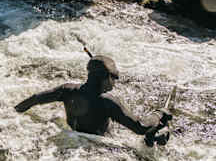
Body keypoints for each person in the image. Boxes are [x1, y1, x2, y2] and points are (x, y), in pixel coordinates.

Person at [14, 54, 171, 145]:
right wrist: (158, 113)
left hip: (71, 137)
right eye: (114, 78)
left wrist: (15, 111)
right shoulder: (107, 102)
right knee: (151, 131)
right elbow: (140, 127)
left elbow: (34, 99)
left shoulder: (67, 90)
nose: (115, 82)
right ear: (105, 77)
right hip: (96, 145)